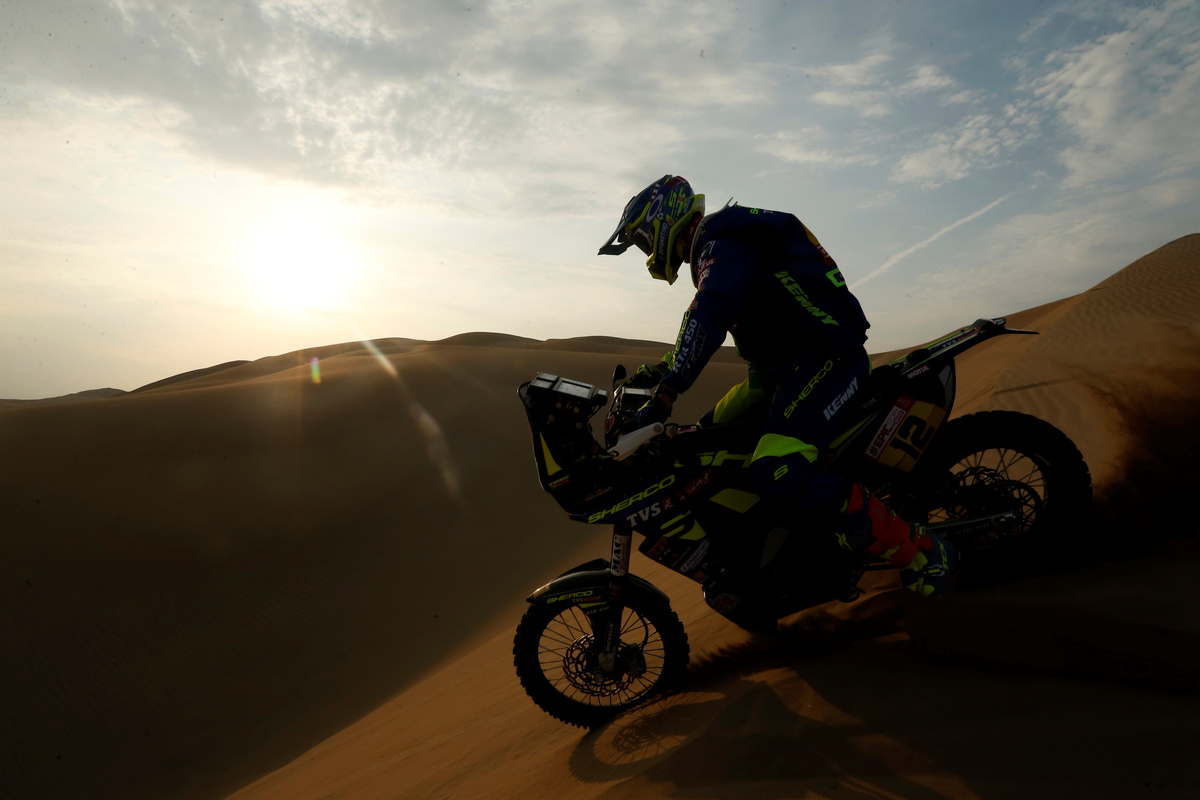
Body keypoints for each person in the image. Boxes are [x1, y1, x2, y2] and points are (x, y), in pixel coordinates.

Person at [598, 174, 956, 597]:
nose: (646, 253)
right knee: (699, 444)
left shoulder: (722, 240)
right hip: (780, 372)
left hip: (826, 362)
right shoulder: (718, 245)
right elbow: (705, 319)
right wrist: (658, 372)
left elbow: (708, 313)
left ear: (662, 221)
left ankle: (922, 549)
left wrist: (666, 393)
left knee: (779, 469)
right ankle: (761, 564)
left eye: (643, 241)